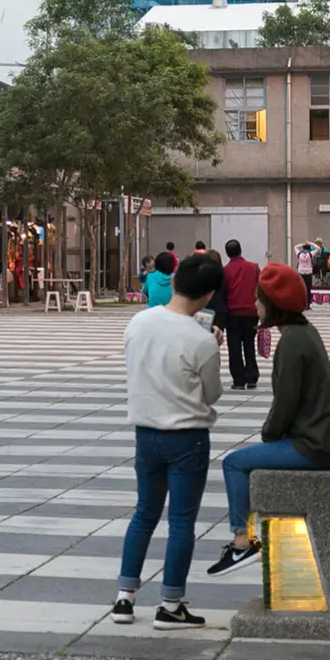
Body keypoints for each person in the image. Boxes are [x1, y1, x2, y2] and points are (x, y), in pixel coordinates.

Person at [207, 263, 330, 577]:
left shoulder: (292, 343)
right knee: (247, 457)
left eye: (259, 299)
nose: (256, 304)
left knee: (233, 463)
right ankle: (243, 541)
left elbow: (285, 404)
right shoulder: (304, 332)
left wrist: (269, 435)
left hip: (314, 445)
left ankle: (241, 543)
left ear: (274, 306)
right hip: (324, 438)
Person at [113, 254, 224, 629]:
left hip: (145, 434)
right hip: (187, 438)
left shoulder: (139, 321)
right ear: (208, 295)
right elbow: (212, 395)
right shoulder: (201, 340)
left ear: (175, 281)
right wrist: (214, 348)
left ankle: (124, 599)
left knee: (144, 513)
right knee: (180, 522)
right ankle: (171, 604)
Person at [223, 239, 261, 390]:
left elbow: (223, 292)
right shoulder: (254, 267)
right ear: (241, 250)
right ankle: (252, 376)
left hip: (232, 313)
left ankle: (238, 380)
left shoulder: (225, 271)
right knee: (249, 344)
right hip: (251, 312)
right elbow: (261, 287)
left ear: (227, 253)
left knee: (234, 346)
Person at [294, 243, 314, 307]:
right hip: (308, 274)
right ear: (309, 249)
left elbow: (295, 247)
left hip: (301, 274)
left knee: (301, 290)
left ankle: (300, 304)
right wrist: (310, 243)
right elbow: (318, 248)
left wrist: (302, 244)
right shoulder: (310, 254)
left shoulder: (299, 253)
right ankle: (308, 305)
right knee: (308, 290)